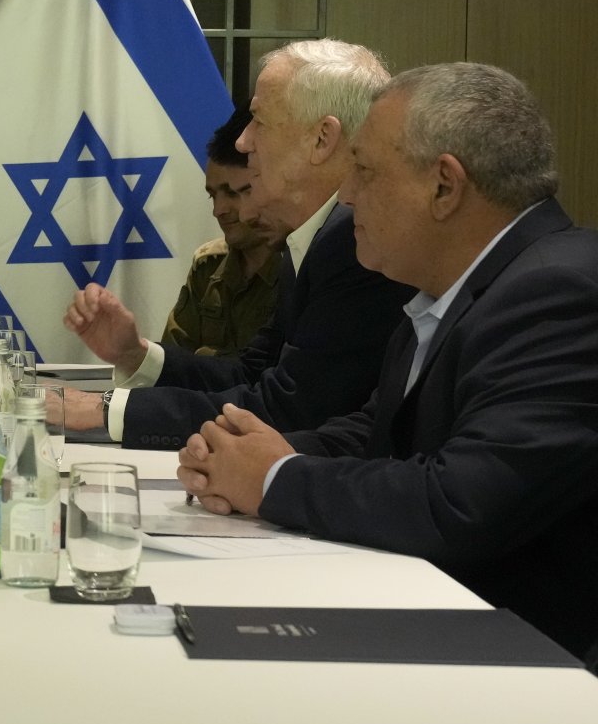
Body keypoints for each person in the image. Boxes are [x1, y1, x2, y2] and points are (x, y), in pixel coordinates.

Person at [177, 62, 598, 660]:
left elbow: (460, 503)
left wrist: (273, 479)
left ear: (444, 187)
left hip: (538, 669)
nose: (345, 195)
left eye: (366, 172)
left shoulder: (561, 293)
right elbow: (377, 432)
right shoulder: (450, 290)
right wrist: (245, 451)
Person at [55, 39, 413, 449]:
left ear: (321, 139)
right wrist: (137, 355)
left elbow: (288, 410)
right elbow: (253, 375)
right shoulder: (313, 236)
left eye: (258, 120)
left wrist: (103, 411)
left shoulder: (352, 242)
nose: (243, 143)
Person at [160, 107, 285, 357]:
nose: (218, 210)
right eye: (212, 194)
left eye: (234, 192)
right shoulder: (208, 266)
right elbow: (172, 360)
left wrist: (206, 357)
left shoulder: (299, 268)